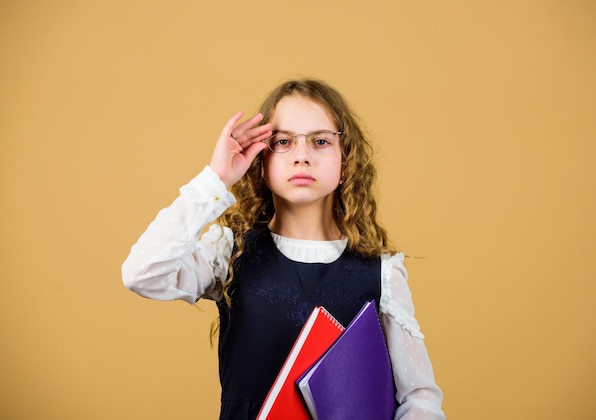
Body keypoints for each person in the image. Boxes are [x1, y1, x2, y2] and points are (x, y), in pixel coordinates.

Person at [122, 78, 445, 419]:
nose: (302, 156)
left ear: (346, 161)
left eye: (320, 141)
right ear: (261, 163)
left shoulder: (381, 271)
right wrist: (216, 178)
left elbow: (419, 397)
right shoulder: (228, 251)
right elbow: (142, 273)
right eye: (283, 142)